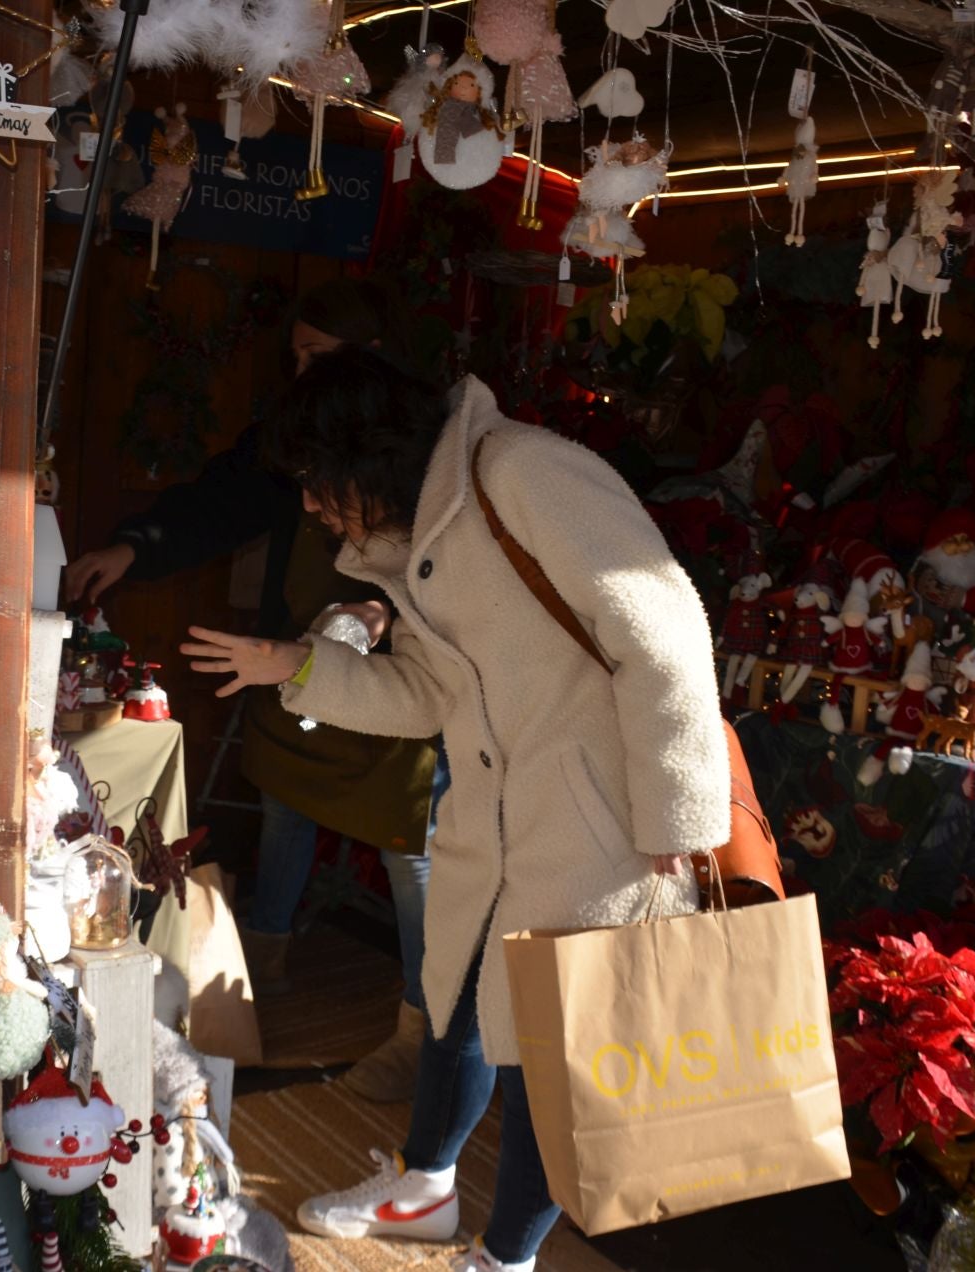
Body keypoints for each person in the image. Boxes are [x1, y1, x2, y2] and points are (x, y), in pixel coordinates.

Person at [179, 346, 729, 1272]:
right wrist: (295, 666)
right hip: (501, 822)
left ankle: (505, 1257)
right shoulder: (419, 538)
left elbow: (665, 630)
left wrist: (678, 823)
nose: (311, 505)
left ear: (368, 451)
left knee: (554, 1065)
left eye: (317, 479)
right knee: (456, 1000)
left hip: (607, 826)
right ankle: (426, 1184)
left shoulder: (521, 471)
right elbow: (431, 697)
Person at [62, 279, 443, 1102]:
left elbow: (431, 571)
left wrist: (382, 609)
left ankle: (424, 1030)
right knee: (285, 806)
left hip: (390, 678)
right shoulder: (292, 432)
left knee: (412, 853)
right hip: (291, 656)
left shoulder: (423, 449)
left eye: (318, 356)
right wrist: (137, 547)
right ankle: (254, 970)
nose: (301, 370)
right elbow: (224, 498)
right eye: (296, 355)